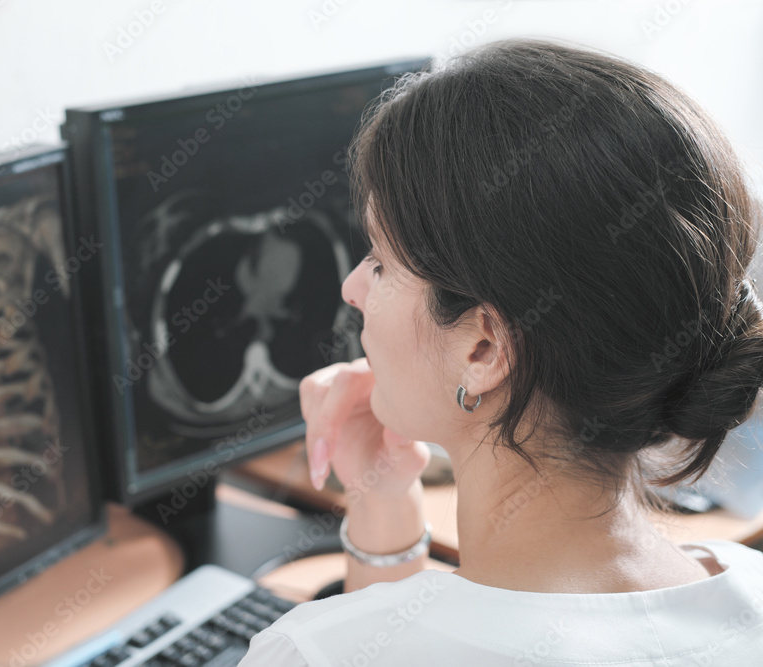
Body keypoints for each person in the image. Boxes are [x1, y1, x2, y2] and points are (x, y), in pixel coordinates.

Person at [239, 37, 763, 665]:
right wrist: (384, 507)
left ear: (483, 348)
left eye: (380, 263)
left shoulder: (305, 652)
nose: (353, 286)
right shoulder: (747, 595)